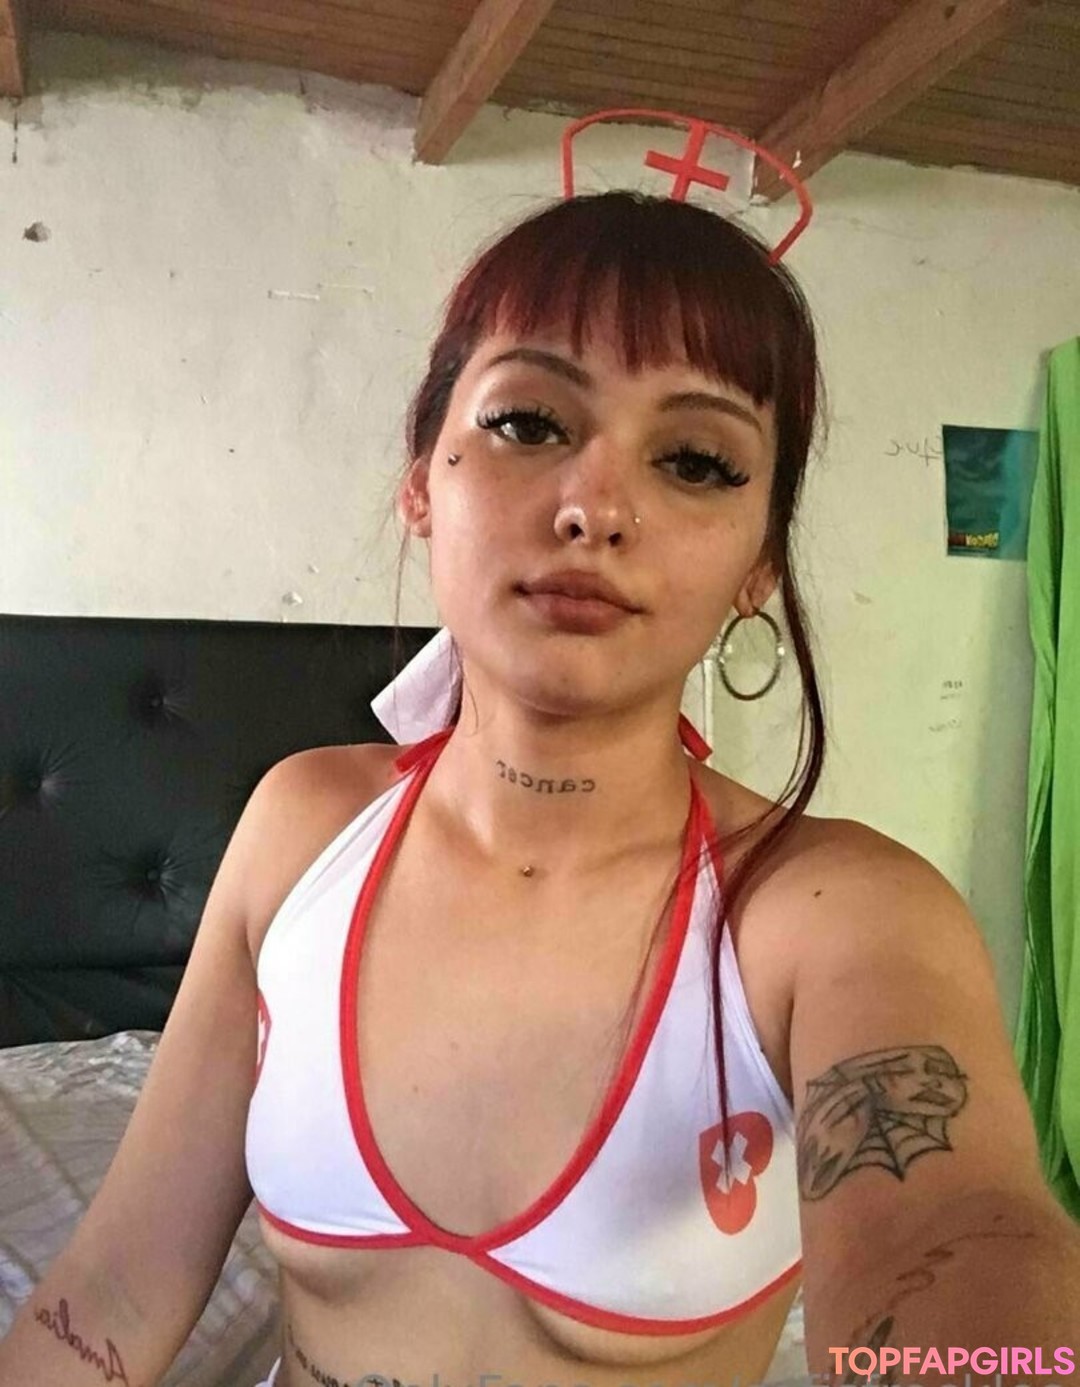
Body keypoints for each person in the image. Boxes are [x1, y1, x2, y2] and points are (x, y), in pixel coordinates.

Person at [2, 190, 1078, 1387]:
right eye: (528, 421)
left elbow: (963, 1235)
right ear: (423, 478)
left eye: (696, 461)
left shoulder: (838, 915)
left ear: (759, 563)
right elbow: (119, 1285)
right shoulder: (302, 825)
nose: (596, 507)